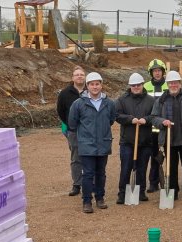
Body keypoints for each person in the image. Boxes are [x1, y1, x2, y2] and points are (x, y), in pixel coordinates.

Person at [149, 70, 182, 202]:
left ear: (180, 83)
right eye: (171, 83)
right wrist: (162, 122)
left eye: (176, 82)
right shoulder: (161, 99)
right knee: (171, 168)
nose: (173, 85)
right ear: (167, 84)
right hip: (169, 140)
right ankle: (173, 191)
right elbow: (153, 117)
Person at [67, 72, 117, 213]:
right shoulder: (78, 104)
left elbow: (111, 120)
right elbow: (72, 123)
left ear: (101, 85)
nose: (95, 87)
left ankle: (100, 198)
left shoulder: (109, 103)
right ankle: (87, 201)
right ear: (87, 86)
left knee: (101, 173)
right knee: (88, 173)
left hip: (103, 143)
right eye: (92, 84)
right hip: (86, 144)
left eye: (97, 84)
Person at [114, 72, 154, 204]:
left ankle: (141, 191)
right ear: (130, 86)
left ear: (143, 85)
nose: (136, 87)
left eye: (139, 85)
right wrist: (130, 119)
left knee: (142, 168)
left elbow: (155, 115)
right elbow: (117, 115)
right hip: (127, 141)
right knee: (126, 168)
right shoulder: (122, 100)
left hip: (145, 141)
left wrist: (146, 120)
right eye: (134, 85)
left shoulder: (150, 100)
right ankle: (122, 193)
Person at [56, 65, 86, 196]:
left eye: (82, 74)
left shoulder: (91, 90)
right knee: (76, 157)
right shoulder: (65, 93)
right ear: (72, 78)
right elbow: (60, 111)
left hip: (89, 130)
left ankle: (91, 181)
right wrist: (69, 124)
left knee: (90, 155)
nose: (79, 76)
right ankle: (77, 184)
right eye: (77, 74)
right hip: (73, 130)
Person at [143, 59, 169, 193]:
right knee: (154, 156)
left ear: (163, 72)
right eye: (154, 71)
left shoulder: (169, 85)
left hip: (166, 128)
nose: (157, 73)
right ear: (151, 73)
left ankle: (170, 181)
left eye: (159, 70)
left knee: (169, 156)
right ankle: (153, 182)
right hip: (150, 129)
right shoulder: (145, 86)